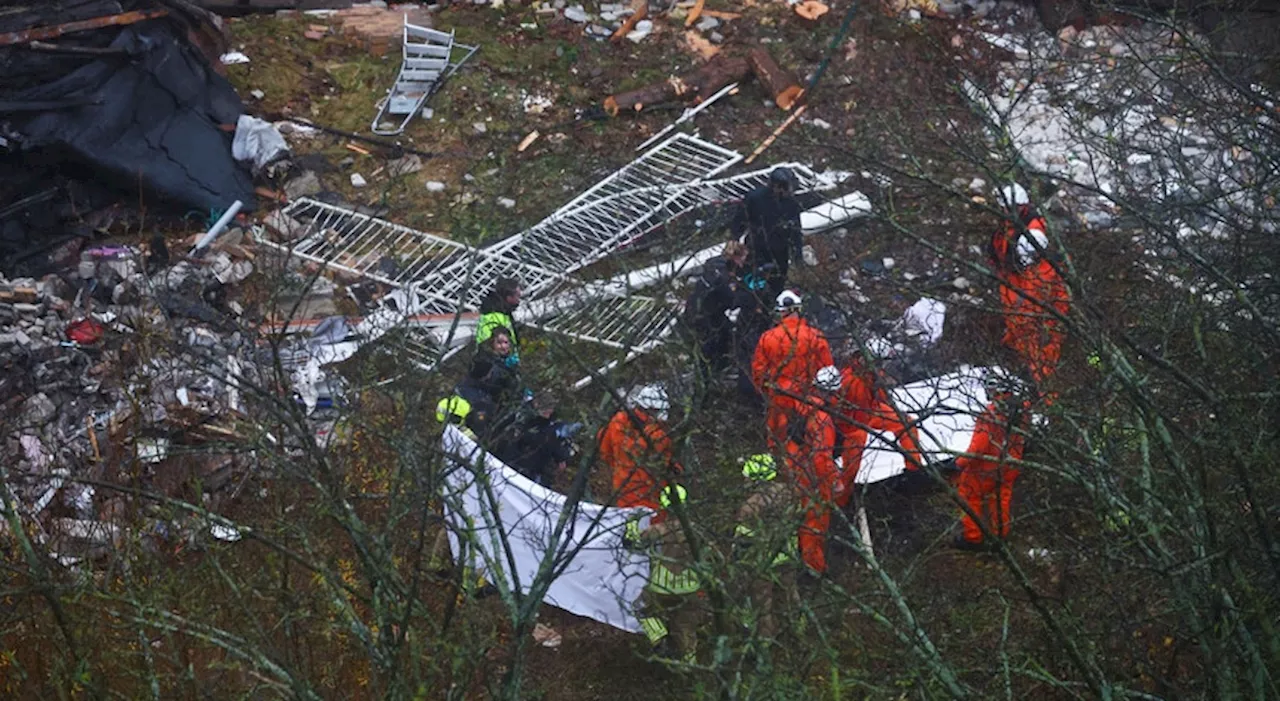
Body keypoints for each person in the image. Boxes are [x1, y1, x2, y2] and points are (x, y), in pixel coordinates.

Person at [992, 184, 1070, 385]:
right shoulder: (1011, 227)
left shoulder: (1033, 243)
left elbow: (1036, 302)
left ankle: (1045, 396)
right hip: (1015, 299)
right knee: (1026, 348)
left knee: (1042, 358)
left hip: (1033, 317)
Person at [826, 362, 924, 507]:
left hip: (870, 412)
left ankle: (914, 470)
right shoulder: (848, 379)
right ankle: (840, 503)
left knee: (906, 423)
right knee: (850, 470)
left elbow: (880, 395)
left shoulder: (873, 374)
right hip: (851, 427)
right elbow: (831, 405)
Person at [953, 370, 1030, 551]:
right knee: (1001, 498)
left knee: (969, 496)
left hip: (986, 468)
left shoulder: (990, 415)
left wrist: (959, 464)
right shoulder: (1023, 408)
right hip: (1011, 464)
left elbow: (978, 448)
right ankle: (1000, 536)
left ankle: (973, 538)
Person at [753, 290, 834, 451]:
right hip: (809, 399)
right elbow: (827, 371)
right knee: (816, 445)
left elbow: (759, 373)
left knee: (779, 446)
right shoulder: (815, 336)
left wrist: (766, 392)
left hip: (779, 400)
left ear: (780, 312)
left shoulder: (768, 338)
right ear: (798, 310)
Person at [631, 485, 702, 663]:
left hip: (660, 586)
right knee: (686, 625)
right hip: (690, 586)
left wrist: (632, 522)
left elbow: (633, 543)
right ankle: (688, 663)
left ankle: (659, 639)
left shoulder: (657, 530)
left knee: (642, 609)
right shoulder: (697, 530)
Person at [733, 454, 800, 641]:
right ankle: (796, 634)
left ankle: (765, 645)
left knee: (763, 605)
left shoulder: (750, 507)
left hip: (762, 561)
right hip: (787, 554)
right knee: (789, 596)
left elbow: (744, 540)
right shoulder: (789, 492)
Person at [784, 369, 843, 575]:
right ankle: (813, 568)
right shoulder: (822, 419)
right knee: (815, 523)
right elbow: (821, 456)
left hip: (795, 467)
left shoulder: (799, 404)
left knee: (798, 518)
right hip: (813, 476)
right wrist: (834, 480)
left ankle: (801, 558)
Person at [599, 385, 682, 514]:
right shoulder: (657, 433)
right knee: (648, 528)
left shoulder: (619, 421)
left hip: (625, 489)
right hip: (649, 493)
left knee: (628, 525)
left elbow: (606, 451)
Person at [682, 241, 749, 387]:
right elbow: (731, 300)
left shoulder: (714, 266)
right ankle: (711, 375)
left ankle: (713, 370)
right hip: (706, 317)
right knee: (717, 341)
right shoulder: (723, 276)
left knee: (724, 333)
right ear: (736, 258)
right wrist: (746, 296)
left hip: (699, 311)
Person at [732, 167, 803, 299]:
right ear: (776, 186)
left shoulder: (791, 203)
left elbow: (796, 230)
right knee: (753, 285)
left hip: (780, 252)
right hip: (756, 249)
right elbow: (739, 220)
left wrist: (798, 255)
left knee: (777, 285)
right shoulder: (754, 198)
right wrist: (735, 240)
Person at [491, 392, 579, 488]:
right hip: (515, 464)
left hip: (534, 468)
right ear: (537, 405)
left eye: (551, 408)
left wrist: (560, 457)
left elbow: (551, 443)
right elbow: (528, 438)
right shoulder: (524, 418)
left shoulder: (549, 424)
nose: (549, 411)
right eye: (546, 408)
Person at [446, 329, 521, 437]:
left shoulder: (509, 364)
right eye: (499, 343)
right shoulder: (484, 361)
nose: (503, 346)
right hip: (478, 405)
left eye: (506, 342)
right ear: (492, 344)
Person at [476, 276, 522, 356]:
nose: (519, 298)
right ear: (509, 298)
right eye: (517, 295)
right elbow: (495, 346)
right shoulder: (496, 316)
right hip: (497, 364)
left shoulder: (501, 312)